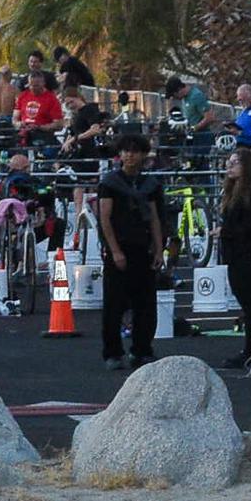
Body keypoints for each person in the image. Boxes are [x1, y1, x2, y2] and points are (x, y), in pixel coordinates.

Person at [88, 125, 166, 368]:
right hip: (120, 247)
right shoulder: (110, 183)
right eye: (125, 151)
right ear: (119, 154)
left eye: (135, 151)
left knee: (146, 303)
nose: (130, 156)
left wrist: (159, 248)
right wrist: (115, 250)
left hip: (143, 247)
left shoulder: (150, 184)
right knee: (114, 303)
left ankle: (142, 349)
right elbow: (105, 218)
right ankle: (113, 352)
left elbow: (154, 217)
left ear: (143, 155)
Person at [212, 143, 251, 375]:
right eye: (229, 162)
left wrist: (224, 232)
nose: (229, 166)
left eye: (235, 162)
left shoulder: (250, 195)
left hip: (246, 255)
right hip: (238, 254)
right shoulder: (238, 192)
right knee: (249, 305)